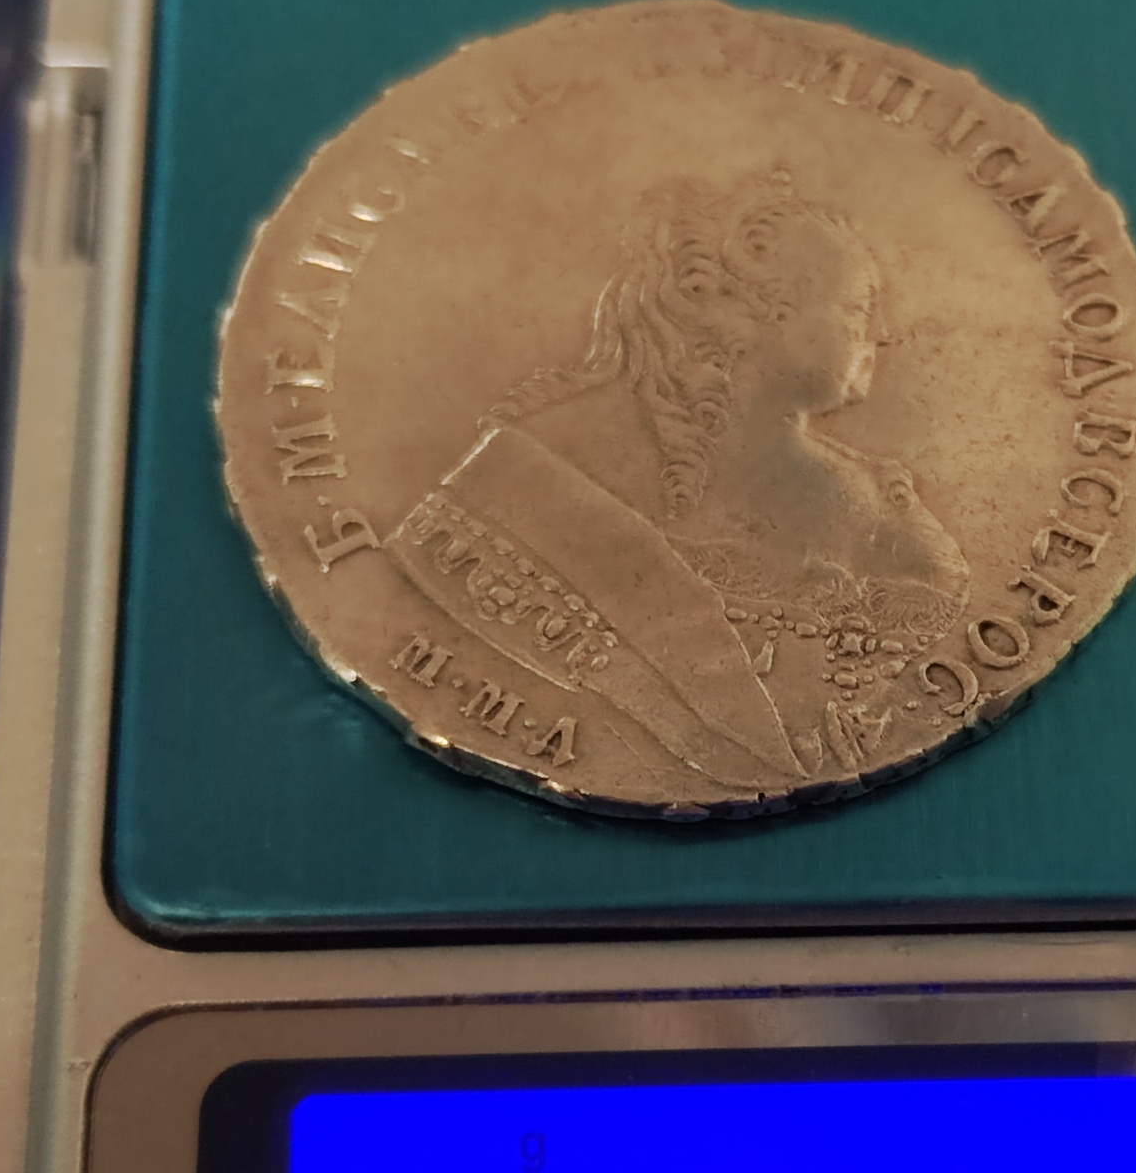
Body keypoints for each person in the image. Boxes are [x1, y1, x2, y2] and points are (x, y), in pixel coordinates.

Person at [387, 170, 969, 792]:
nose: (880, 335)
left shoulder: (875, 502)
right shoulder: (518, 484)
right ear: (763, 316)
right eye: (856, 309)